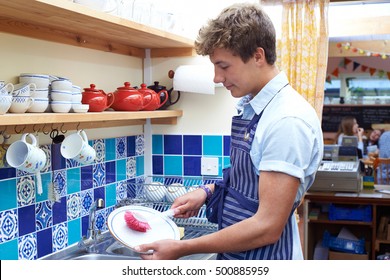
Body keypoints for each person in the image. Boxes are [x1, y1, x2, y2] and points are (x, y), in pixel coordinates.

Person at [135, 3, 323, 260]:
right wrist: (207, 192)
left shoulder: (286, 120)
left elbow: (267, 227)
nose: (216, 78)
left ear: (258, 56)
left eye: (223, 66)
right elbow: (249, 183)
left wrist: (182, 247)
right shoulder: (253, 107)